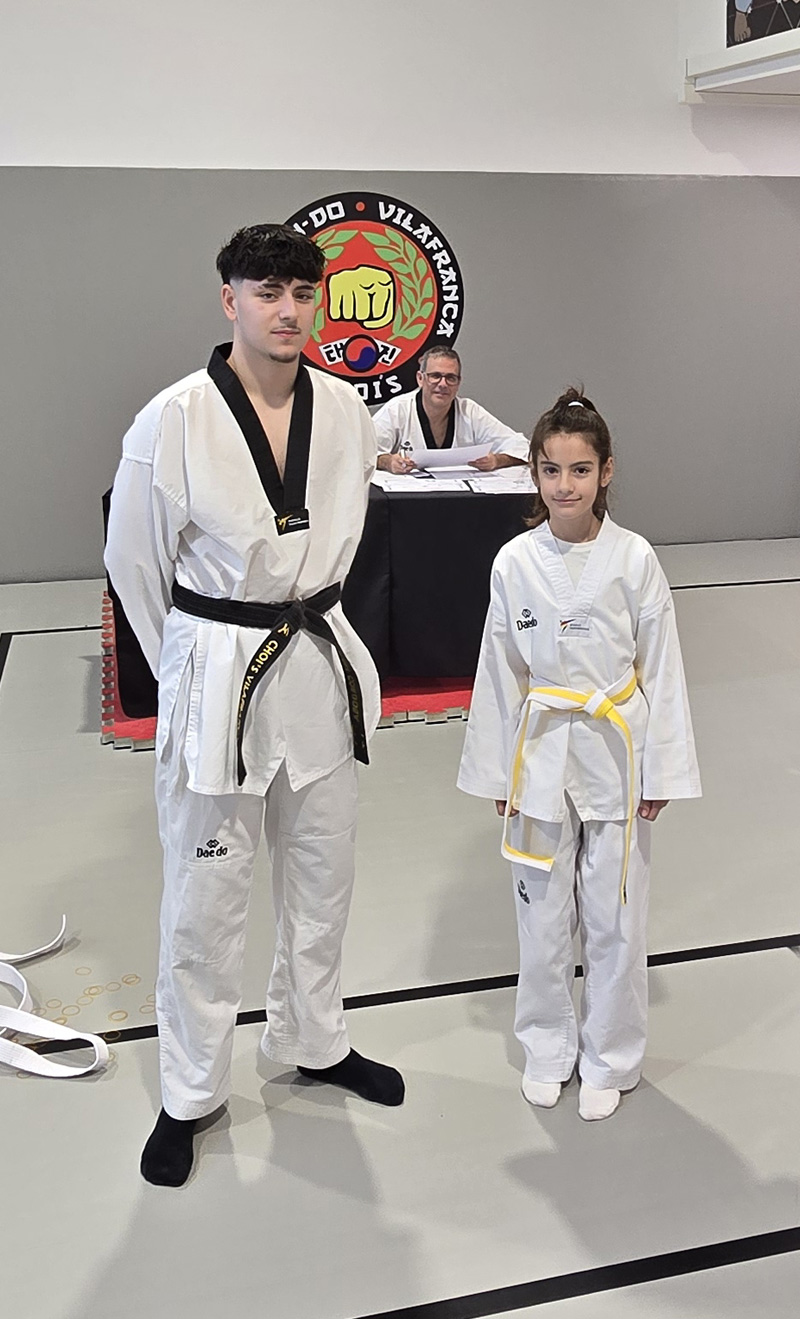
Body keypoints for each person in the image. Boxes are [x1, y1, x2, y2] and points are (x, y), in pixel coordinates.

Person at [105, 224, 404, 1188]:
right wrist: (193, 662)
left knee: (324, 874)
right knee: (206, 897)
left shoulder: (348, 410)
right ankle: (191, 1091)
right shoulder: (173, 419)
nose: (288, 310)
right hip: (219, 673)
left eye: (303, 292)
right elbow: (133, 563)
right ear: (227, 298)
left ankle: (314, 1039)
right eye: (267, 290)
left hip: (316, 662)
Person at [457, 388, 701, 1122]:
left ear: (606, 472)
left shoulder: (634, 558)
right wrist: (497, 769)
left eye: (581, 469)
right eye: (551, 469)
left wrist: (662, 766)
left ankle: (612, 1055)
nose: (565, 485)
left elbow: (662, 666)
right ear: (533, 472)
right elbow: (500, 669)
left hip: (616, 744)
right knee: (540, 912)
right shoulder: (514, 561)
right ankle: (546, 1046)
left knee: (616, 913)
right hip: (539, 747)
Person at [373, 347, 528, 474]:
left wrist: (496, 460)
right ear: (420, 378)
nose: (443, 384)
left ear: (458, 383)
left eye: (451, 378)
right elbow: (366, 453)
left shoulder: (470, 412)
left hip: (461, 497)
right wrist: (389, 462)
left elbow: (522, 446)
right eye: (435, 376)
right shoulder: (397, 410)